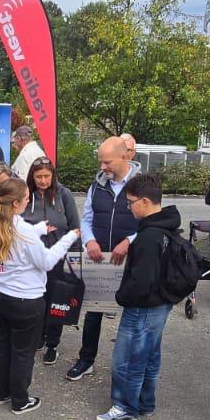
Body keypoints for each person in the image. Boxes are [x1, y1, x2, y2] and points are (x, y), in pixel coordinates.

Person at [0, 177, 81, 414]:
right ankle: (20, 400)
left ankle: (2, 392)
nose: (29, 202)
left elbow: (18, 235)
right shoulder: (23, 231)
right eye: (27, 199)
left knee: (4, 344)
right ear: (16, 203)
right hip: (25, 300)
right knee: (23, 352)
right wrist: (69, 237)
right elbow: (46, 261)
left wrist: (39, 229)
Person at [96, 174, 182, 420]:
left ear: (145, 201)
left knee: (126, 360)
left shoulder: (147, 236)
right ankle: (145, 402)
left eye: (131, 202)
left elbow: (141, 281)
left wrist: (121, 296)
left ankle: (124, 407)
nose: (129, 207)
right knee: (149, 356)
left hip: (142, 307)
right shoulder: (167, 225)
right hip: (161, 303)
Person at [68, 137, 142, 381]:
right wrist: (89, 240)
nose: (102, 167)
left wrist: (129, 241)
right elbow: (87, 219)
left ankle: (128, 366)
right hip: (100, 260)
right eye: (101, 161)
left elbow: (152, 221)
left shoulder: (143, 185)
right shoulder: (97, 185)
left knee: (132, 314)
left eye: (107, 162)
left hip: (131, 261)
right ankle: (86, 359)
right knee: (93, 312)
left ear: (125, 156)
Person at [23, 158, 81, 365]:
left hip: (58, 258)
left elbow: (75, 226)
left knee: (57, 300)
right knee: (37, 301)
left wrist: (75, 258)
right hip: (33, 260)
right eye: (38, 176)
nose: (43, 181)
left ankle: (52, 344)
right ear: (32, 176)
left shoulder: (64, 194)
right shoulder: (25, 195)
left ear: (53, 176)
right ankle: (38, 335)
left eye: (46, 176)